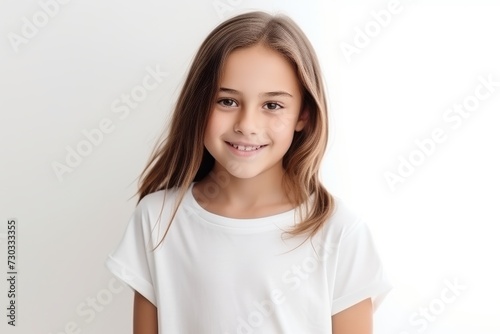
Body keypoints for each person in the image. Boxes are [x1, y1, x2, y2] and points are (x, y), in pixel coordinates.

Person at [105, 10, 392, 334]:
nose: (246, 125)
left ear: (304, 116)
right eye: (227, 101)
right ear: (198, 105)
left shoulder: (339, 232)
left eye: (272, 105)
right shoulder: (157, 219)